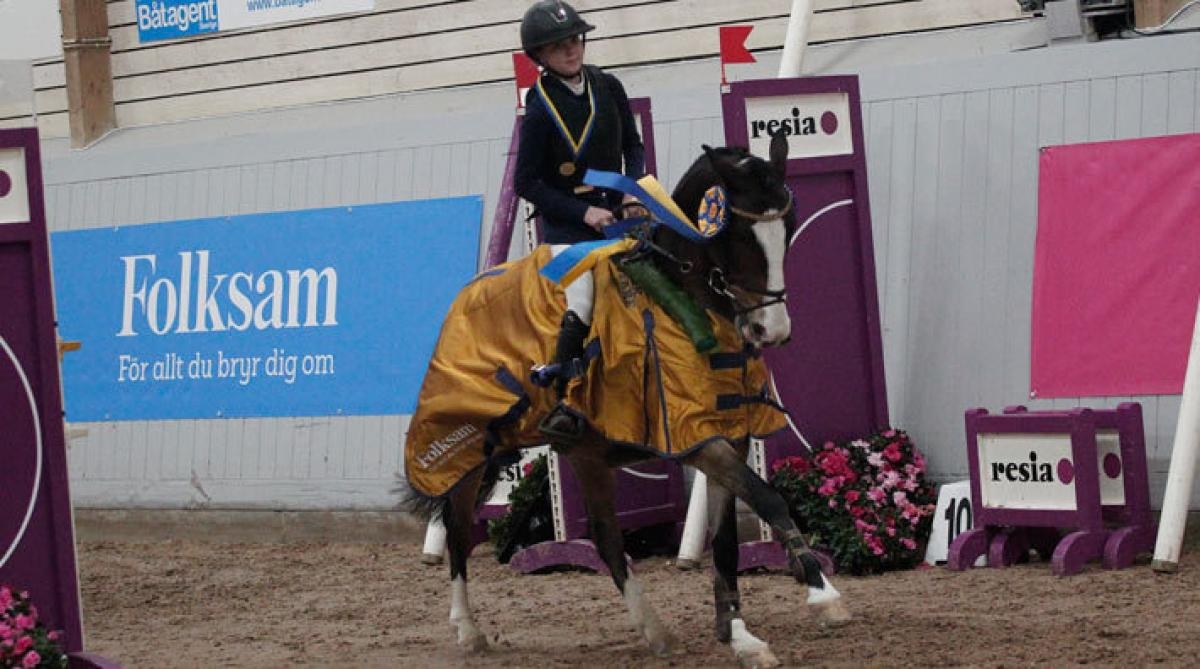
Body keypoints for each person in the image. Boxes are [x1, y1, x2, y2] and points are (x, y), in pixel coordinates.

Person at [514, 0, 645, 441]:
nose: (571, 50)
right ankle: (565, 396)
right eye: (558, 46)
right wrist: (582, 211)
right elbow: (526, 183)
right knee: (583, 299)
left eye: (574, 40)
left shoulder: (609, 87)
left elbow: (633, 145)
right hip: (569, 227)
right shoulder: (538, 110)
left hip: (619, 214)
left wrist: (630, 191)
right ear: (541, 57)